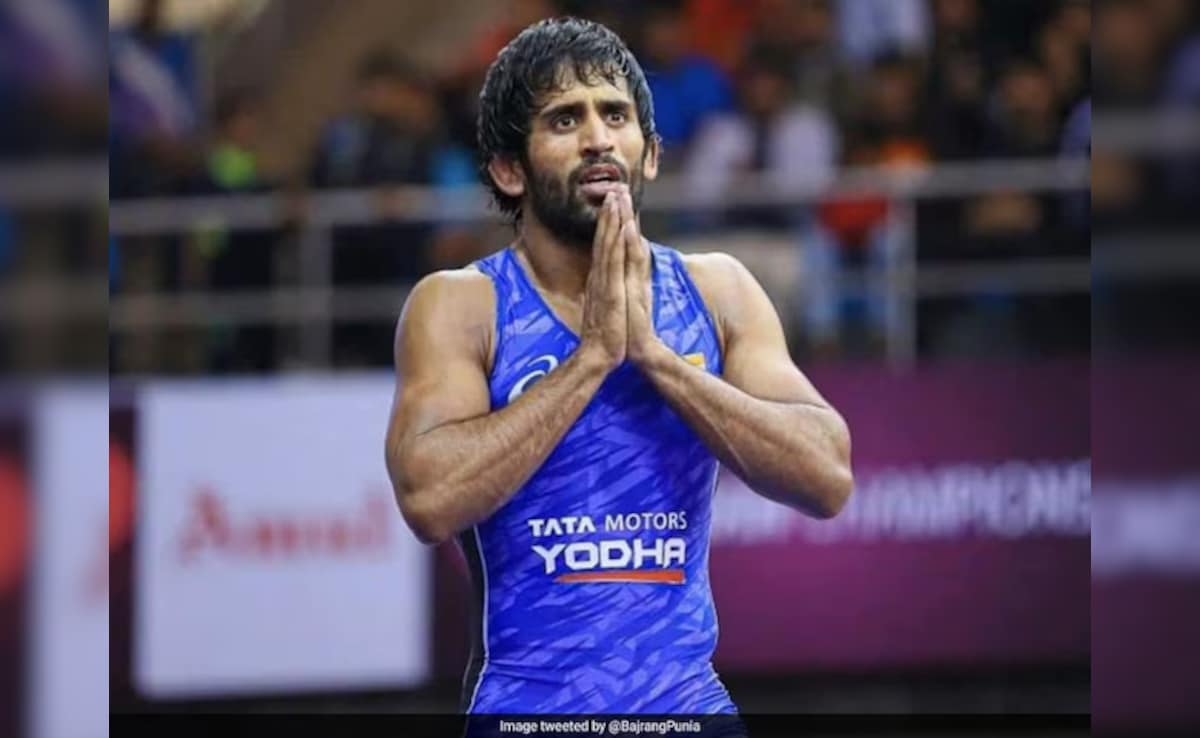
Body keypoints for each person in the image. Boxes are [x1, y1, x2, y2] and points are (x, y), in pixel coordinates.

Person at [384, 17, 853, 717]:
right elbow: (428, 499)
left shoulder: (717, 290)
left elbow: (828, 476)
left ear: (651, 154)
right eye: (564, 120)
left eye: (615, 115)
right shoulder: (462, 304)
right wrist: (592, 359)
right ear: (510, 170)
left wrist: (659, 361)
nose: (598, 138)